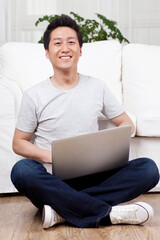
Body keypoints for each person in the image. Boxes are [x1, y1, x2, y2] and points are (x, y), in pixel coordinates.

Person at [11, 15, 159, 229]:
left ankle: (61, 211)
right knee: (22, 170)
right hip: (53, 179)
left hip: (94, 175)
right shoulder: (34, 95)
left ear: (80, 50)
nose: (65, 48)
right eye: (58, 43)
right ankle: (108, 213)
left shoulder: (97, 87)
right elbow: (18, 143)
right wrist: (52, 156)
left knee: (149, 169)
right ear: (47, 52)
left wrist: (109, 148)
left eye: (71, 42)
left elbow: (127, 124)